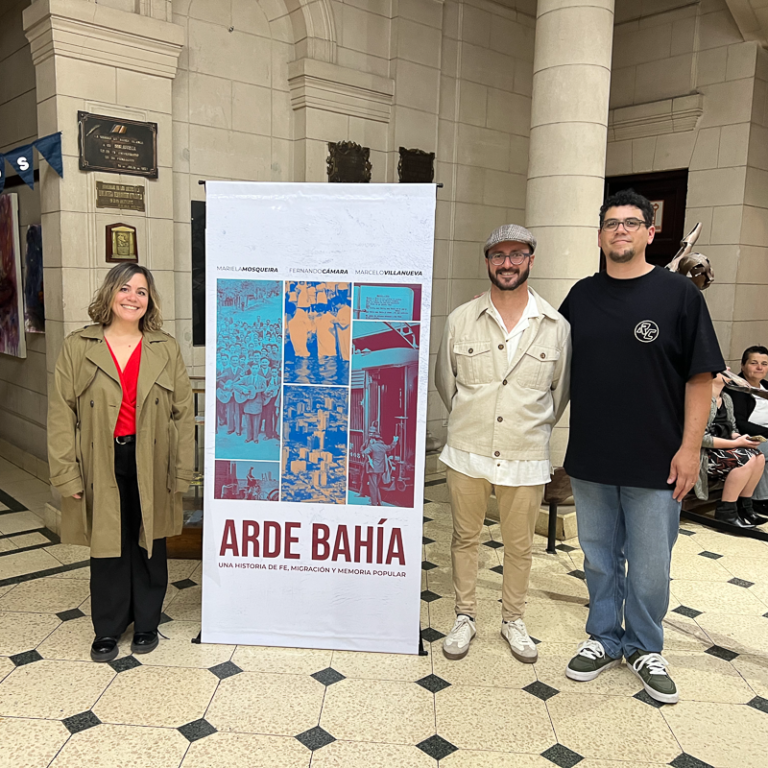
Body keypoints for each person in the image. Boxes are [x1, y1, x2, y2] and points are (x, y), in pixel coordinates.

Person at [559, 189, 724, 704]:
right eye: (612, 223)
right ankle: (604, 637)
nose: (621, 231)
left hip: (658, 460)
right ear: (601, 232)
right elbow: (552, 368)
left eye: (632, 223)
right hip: (592, 458)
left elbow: (701, 378)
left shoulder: (679, 297)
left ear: (651, 233)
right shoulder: (580, 297)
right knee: (600, 558)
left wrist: (691, 449)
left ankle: (645, 645)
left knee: (651, 565)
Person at [435, 224, 571, 664]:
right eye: (498, 255)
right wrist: (471, 419)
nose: (507, 263)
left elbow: (559, 393)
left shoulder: (555, 326)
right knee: (464, 536)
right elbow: (446, 383)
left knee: (519, 545)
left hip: (526, 453)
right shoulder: (460, 319)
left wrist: (526, 427)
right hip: (467, 449)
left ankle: (513, 619)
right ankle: (465, 615)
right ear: (488, 261)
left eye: (516, 254)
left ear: (531, 259)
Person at [48, 263, 194, 663]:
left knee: (150, 540)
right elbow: (61, 413)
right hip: (99, 457)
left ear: (150, 301)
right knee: (108, 543)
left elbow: (184, 412)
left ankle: (147, 622)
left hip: (153, 458)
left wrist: (182, 469)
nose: (133, 297)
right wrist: (66, 471)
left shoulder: (164, 347)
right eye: (125, 289)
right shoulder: (80, 346)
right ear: (110, 294)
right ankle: (108, 629)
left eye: (141, 292)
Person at [693, 372, 764, 527]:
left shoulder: (726, 398)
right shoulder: (700, 399)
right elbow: (700, 438)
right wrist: (734, 444)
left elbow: (731, 428)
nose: (729, 370)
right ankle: (727, 510)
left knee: (758, 457)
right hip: (702, 454)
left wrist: (741, 438)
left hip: (723, 448)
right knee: (746, 458)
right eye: (723, 369)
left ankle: (745, 507)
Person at [730, 345, 768, 519]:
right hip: (747, 436)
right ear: (743, 365)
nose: (760, 367)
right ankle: (759, 500)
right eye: (754, 363)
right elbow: (739, 422)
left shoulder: (766, 386)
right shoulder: (736, 388)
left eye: (764, 363)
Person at [362, 430, 399, 505]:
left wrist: (369, 459)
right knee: (376, 486)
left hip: (373, 469)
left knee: (373, 487)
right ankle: (379, 502)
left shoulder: (372, 446)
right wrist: (394, 441)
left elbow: (364, 453)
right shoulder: (384, 447)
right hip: (380, 470)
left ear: (375, 439)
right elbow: (391, 447)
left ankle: (374, 503)